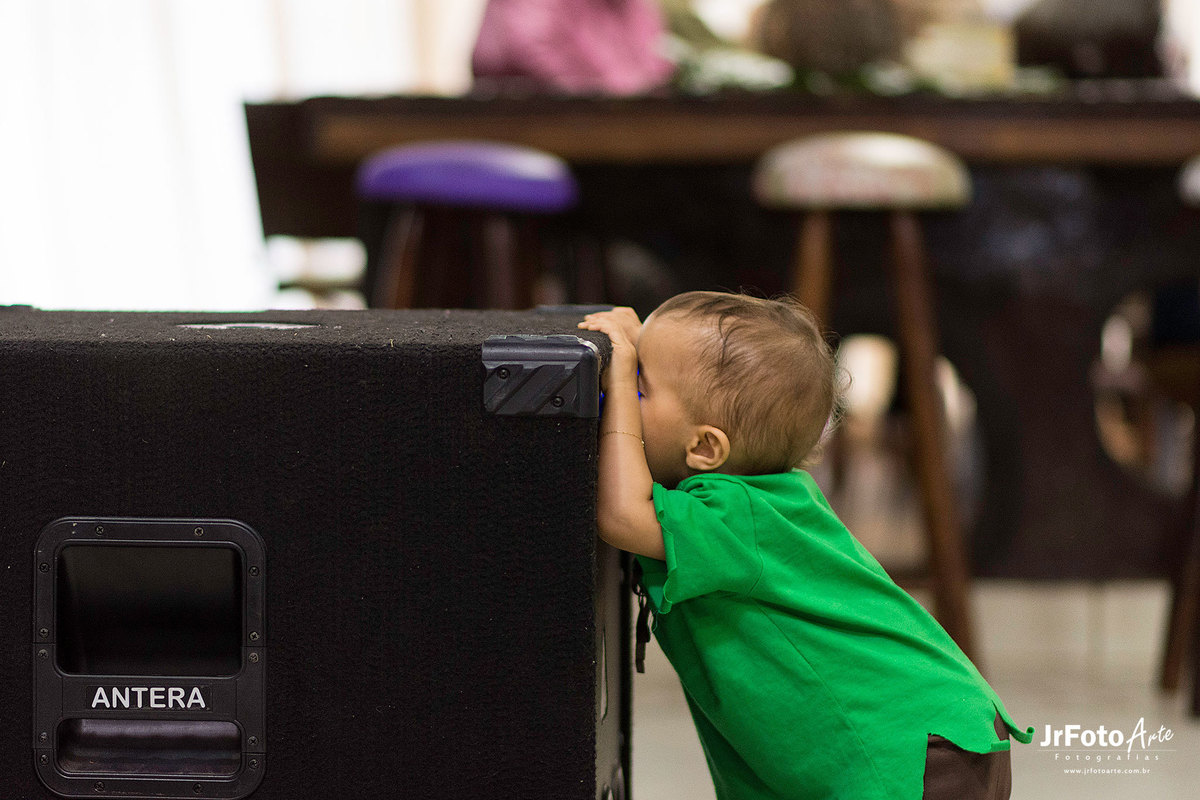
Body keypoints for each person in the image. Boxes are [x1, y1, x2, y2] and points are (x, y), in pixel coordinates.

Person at [577, 291, 1032, 800]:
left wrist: (617, 379)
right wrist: (643, 358)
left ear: (705, 447)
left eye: (641, 386)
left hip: (913, 751)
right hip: (932, 732)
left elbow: (620, 514)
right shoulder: (756, 499)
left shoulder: (734, 515)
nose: (624, 389)